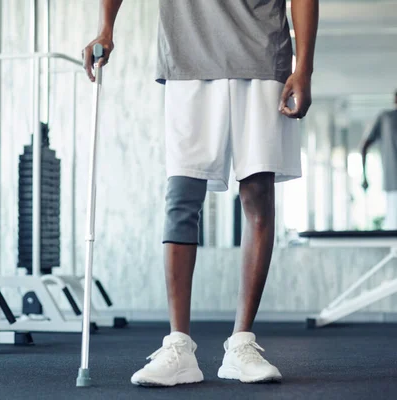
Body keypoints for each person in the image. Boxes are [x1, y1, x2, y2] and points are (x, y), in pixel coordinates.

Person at [83, 0, 318, 387]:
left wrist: (304, 67)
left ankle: (241, 343)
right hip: (187, 54)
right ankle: (179, 346)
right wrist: (107, 27)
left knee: (257, 194)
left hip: (260, 52)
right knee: (181, 197)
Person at [361, 91, 397, 230]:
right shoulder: (385, 118)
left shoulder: (385, 118)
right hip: (393, 183)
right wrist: (364, 176)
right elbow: (364, 146)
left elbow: (364, 147)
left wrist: (365, 177)